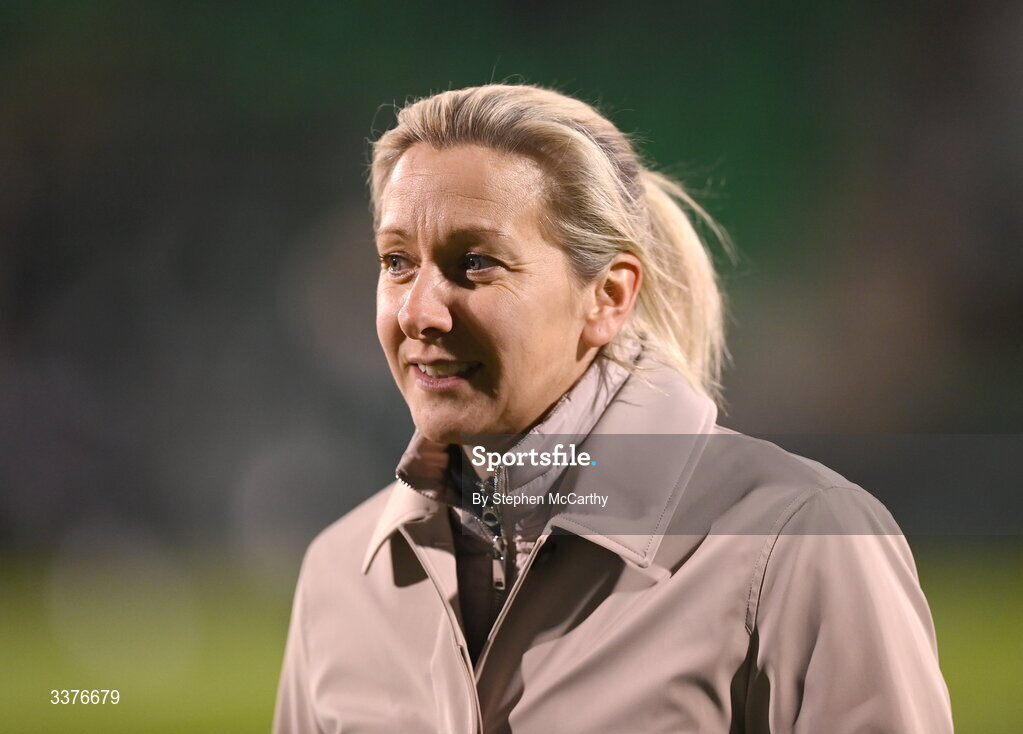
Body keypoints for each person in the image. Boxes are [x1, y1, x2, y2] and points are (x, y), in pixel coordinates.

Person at [273, 84, 953, 733]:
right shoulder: (340, 574)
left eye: (475, 262)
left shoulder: (801, 542)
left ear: (607, 297)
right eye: (396, 262)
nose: (419, 311)